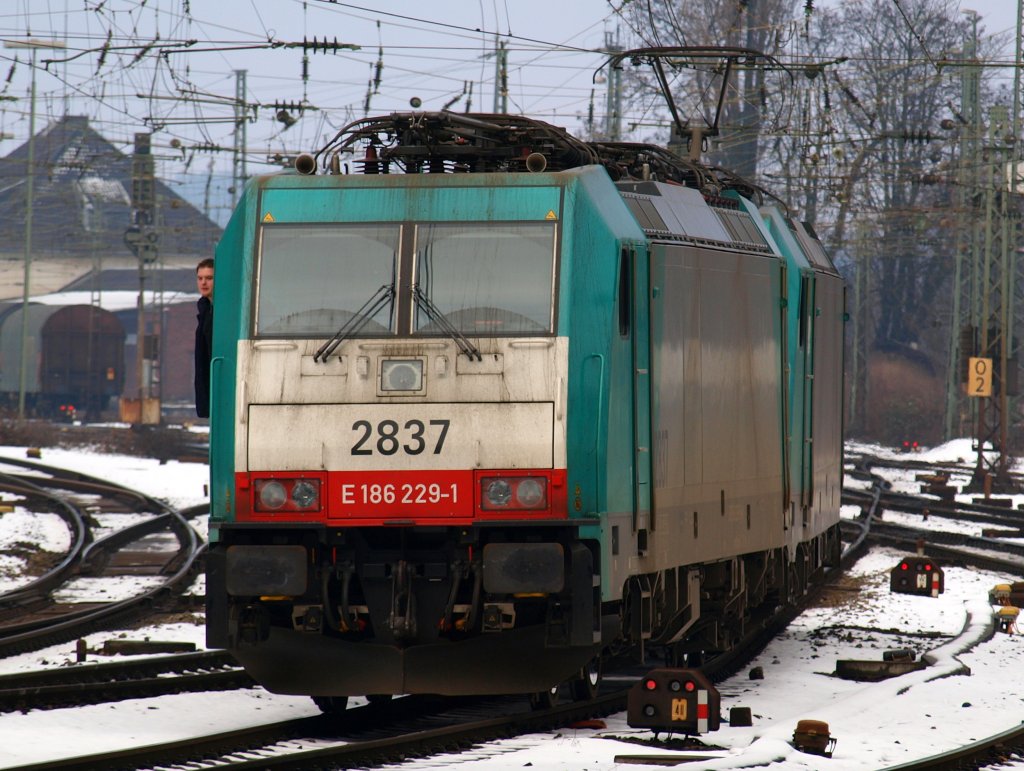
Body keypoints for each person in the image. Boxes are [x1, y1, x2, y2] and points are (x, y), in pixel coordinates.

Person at [194, 258, 214, 418]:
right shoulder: (204, 309)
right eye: (200, 278)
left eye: (209, 278)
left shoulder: (218, 310)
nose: (203, 283)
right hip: (208, 380)